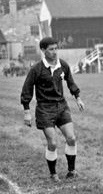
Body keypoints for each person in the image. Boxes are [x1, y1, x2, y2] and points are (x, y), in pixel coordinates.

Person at [21, 37, 86, 182]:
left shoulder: (62, 65)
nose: (54, 52)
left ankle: (71, 171)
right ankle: (53, 174)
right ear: (43, 50)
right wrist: (27, 111)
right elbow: (27, 89)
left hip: (62, 107)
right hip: (45, 109)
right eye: (51, 49)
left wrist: (78, 98)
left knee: (71, 138)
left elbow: (70, 82)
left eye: (56, 48)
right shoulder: (36, 69)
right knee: (53, 143)